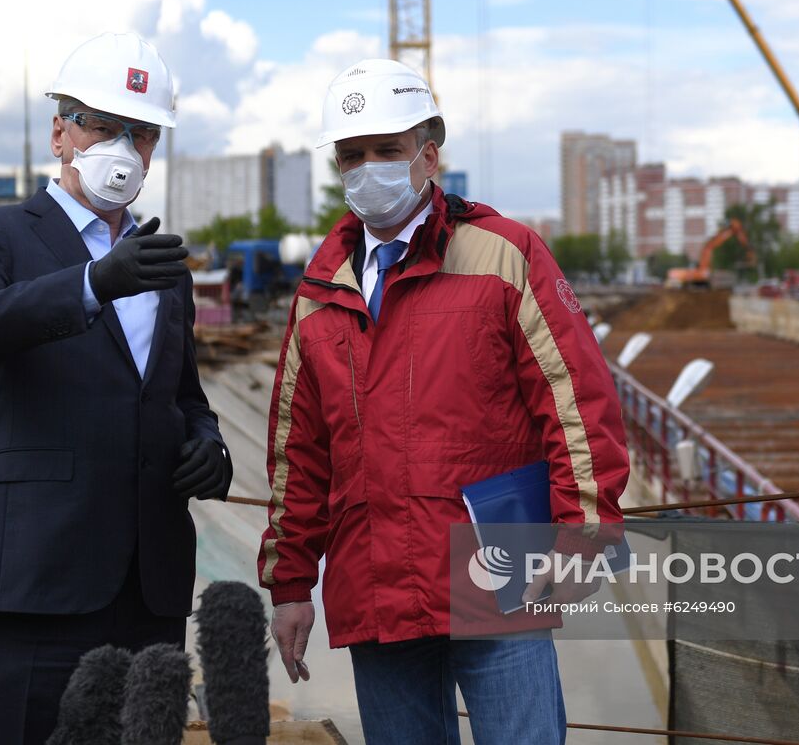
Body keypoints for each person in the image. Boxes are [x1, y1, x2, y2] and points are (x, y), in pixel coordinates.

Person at [257, 58, 630, 744]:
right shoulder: (320, 287)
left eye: (388, 150)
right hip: (375, 581)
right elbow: (298, 449)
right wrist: (288, 583)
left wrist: (583, 532)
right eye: (353, 154)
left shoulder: (503, 255)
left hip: (493, 575)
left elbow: (574, 401)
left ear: (429, 155)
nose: (369, 167)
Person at [0, 31, 234, 744]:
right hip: (33, 582)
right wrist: (94, 282)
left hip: (148, 587)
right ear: (60, 132)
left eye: (142, 133)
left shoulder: (165, 265)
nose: (122, 148)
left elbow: (181, 397)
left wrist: (209, 447)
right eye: (102, 125)